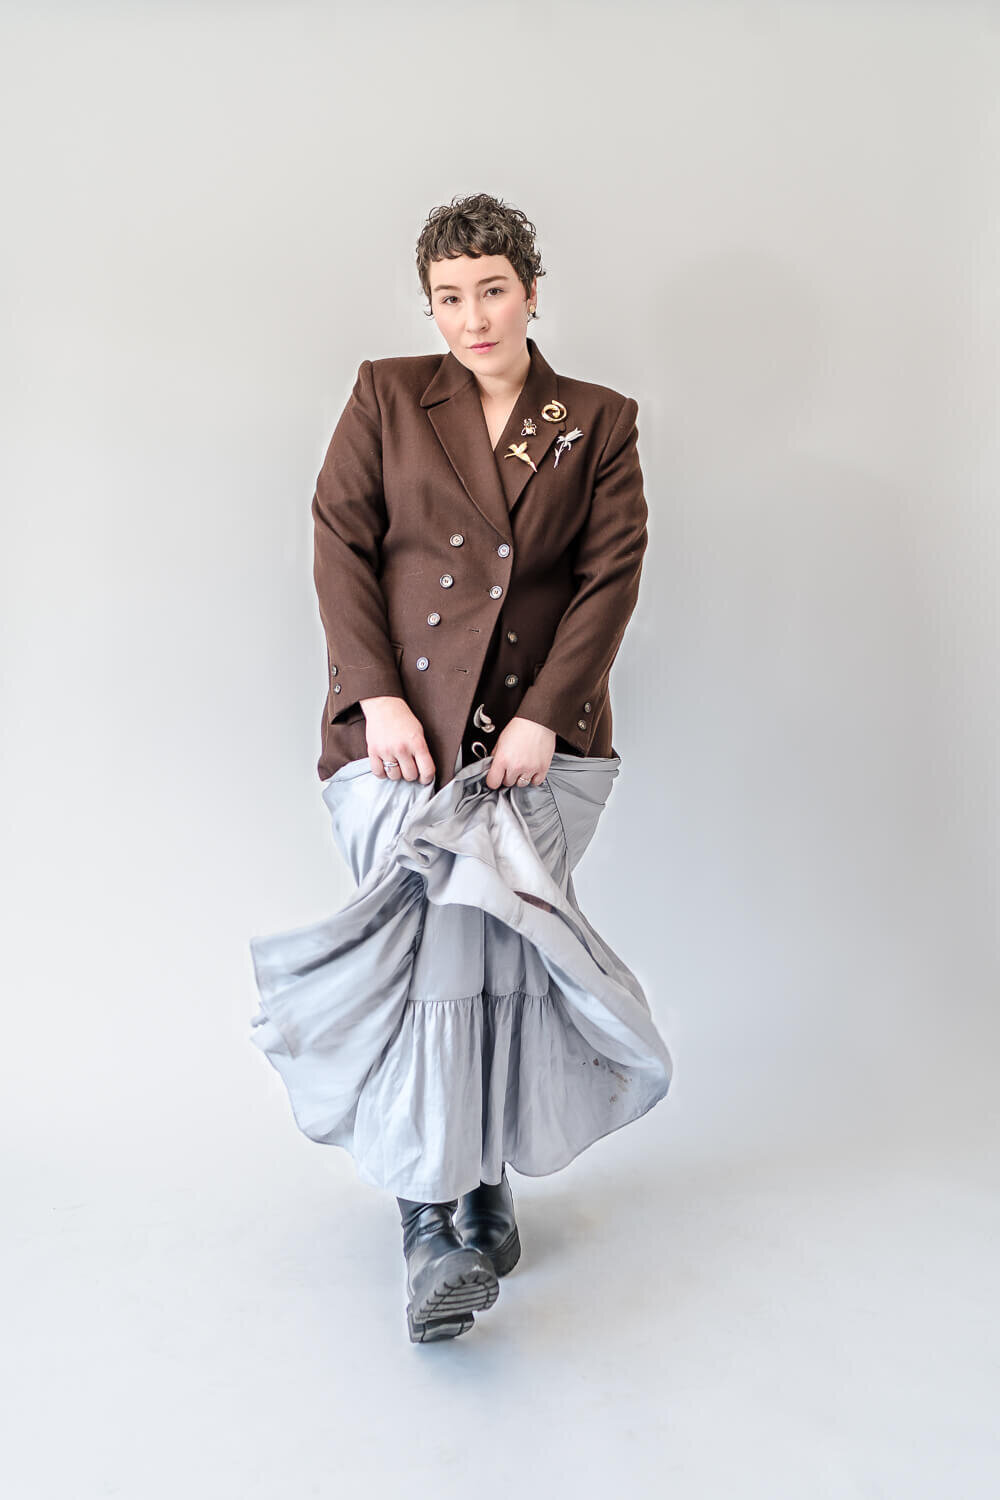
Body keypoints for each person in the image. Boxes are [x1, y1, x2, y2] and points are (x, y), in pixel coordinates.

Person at [248, 192, 672, 1344]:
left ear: (530, 291)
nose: (471, 317)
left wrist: (544, 714)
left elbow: (609, 576)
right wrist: (379, 693)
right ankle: (439, 1213)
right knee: (450, 936)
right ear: (428, 305)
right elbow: (338, 539)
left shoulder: (594, 418)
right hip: (396, 742)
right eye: (448, 297)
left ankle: (459, 1188)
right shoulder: (388, 395)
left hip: (536, 750)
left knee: (488, 948)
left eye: (491, 290)